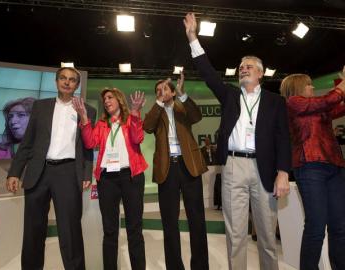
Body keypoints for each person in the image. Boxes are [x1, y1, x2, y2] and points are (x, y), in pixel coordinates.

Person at [183, 13, 291, 270]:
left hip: (264, 169)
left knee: (266, 237)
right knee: (235, 235)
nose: (243, 68)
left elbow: (283, 138)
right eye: (241, 66)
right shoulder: (229, 95)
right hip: (232, 167)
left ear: (261, 74)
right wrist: (193, 38)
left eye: (249, 66)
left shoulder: (276, 102)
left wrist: (283, 172)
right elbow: (208, 73)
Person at [6, 67, 96, 270]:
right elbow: (27, 143)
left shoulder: (88, 110)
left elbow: (88, 146)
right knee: (33, 230)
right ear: (56, 82)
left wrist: (86, 172)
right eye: (63, 78)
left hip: (68, 172)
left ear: (77, 85)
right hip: (39, 172)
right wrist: (14, 172)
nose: (67, 82)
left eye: (72, 80)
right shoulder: (40, 107)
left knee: (70, 231)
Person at [72, 88, 148, 270]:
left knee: (134, 230)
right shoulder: (101, 124)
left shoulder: (131, 119)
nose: (106, 101)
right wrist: (84, 118)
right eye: (104, 99)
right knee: (110, 231)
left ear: (119, 99)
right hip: (107, 179)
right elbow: (90, 143)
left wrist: (136, 113)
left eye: (110, 97)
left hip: (131, 177)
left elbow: (138, 138)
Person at [143, 72, 209, 270]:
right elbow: (147, 126)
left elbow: (197, 116)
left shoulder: (182, 107)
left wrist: (182, 95)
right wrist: (159, 103)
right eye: (158, 91)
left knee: (196, 219)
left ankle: (200, 266)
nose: (161, 92)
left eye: (165, 89)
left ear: (173, 91)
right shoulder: (157, 111)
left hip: (188, 166)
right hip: (167, 168)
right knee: (169, 222)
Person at [280, 72, 345, 270]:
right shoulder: (293, 103)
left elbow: (336, 105)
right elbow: (330, 99)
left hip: (334, 166)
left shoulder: (318, 108)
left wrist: (341, 84)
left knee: (340, 227)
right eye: (309, 85)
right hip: (310, 167)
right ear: (298, 87)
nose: (312, 88)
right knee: (316, 226)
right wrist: (343, 85)